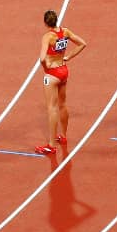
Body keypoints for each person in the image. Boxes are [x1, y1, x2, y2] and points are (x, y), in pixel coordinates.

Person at [37, 10, 86, 154]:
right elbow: (83, 43)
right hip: (64, 70)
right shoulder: (65, 32)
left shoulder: (47, 37)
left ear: (45, 23)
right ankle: (63, 136)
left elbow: (41, 58)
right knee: (62, 104)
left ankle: (51, 145)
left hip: (52, 74)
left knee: (52, 108)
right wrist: (69, 57)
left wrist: (46, 68)